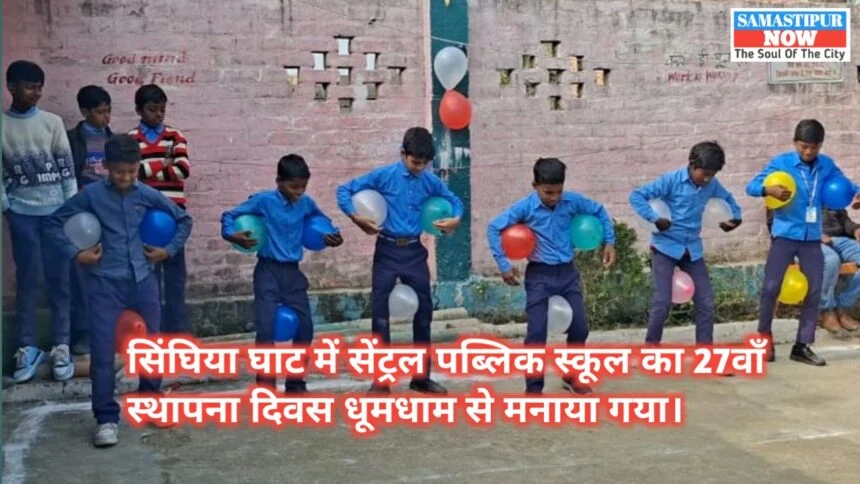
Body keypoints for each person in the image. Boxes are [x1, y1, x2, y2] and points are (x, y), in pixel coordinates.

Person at [44, 134, 192, 447]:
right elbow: (53, 224)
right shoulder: (91, 195)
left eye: (131, 171)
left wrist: (167, 251)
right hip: (104, 283)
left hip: (143, 280)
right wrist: (76, 254)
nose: (125, 177)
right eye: (119, 171)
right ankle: (106, 419)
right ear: (106, 167)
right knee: (101, 351)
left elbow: (183, 220)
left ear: (138, 167)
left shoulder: (148, 194)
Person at [336, 127, 463, 394]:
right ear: (403, 153)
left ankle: (421, 377)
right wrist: (355, 217)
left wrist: (456, 218)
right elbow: (344, 190)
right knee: (380, 315)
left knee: (424, 313)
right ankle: (381, 380)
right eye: (415, 162)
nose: (420, 167)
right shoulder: (384, 176)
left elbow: (454, 200)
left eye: (425, 163)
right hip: (387, 250)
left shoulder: (429, 181)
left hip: (415, 252)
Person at [487, 157, 616, 394]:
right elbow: (494, 227)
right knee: (537, 333)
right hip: (539, 276)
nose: (554, 197)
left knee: (580, 328)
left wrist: (609, 241)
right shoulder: (525, 207)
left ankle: (572, 376)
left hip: (567, 273)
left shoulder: (572, 201)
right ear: (535, 185)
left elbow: (598, 210)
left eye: (558, 191)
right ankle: (533, 389)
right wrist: (504, 266)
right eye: (548, 192)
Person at [221, 154, 343, 393]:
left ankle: (296, 384)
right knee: (266, 330)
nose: (299, 192)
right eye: (293, 186)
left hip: (293, 274)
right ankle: (266, 387)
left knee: (305, 329)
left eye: (303, 187)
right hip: (267, 272)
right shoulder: (263, 201)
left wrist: (334, 236)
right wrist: (231, 234)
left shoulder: (306, 203)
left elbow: (322, 220)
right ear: (279, 181)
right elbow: (229, 215)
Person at [746, 119, 853, 366]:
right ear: (795, 143)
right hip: (785, 235)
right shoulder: (781, 163)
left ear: (820, 145)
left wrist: (856, 194)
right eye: (804, 146)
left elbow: (844, 185)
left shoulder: (826, 165)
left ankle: (802, 346)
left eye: (814, 147)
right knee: (771, 288)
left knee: (813, 290)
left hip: (812, 238)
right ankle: (764, 341)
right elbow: (751, 186)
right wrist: (768, 190)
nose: (808, 152)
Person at [2, 60, 77, 383]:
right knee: (29, 281)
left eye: (39, 87)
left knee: (60, 280)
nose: (35, 93)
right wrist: (7, 208)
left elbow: (66, 169)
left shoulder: (52, 123)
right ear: (11, 87)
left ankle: (61, 345)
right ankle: (27, 347)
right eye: (29, 87)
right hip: (22, 216)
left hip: (55, 215)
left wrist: (69, 211)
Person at [629, 141, 742, 347]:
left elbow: (729, 200)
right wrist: (655, 218)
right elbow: (637, 196)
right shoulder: (671, 180)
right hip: (665, 247)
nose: (707, 179)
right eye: (704, 174)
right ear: (691, 164)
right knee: (663, 301)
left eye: (712, 175)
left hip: (692, 250)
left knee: (705, 302)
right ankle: (651, 348)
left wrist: (736, 218)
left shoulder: (712, 185)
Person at [129, 84, 191, 335]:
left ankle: (177, 331)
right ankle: (151, 330)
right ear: (139, 110)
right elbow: (132, 175)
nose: (158, 115)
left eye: (162, 110)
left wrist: (148, 168)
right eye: (152, 109)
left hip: (174, 218)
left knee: (176, 278)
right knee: (148, 278)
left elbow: (182, 170)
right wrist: (163, 164)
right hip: (144, 220)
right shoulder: (131, 139)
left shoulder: (175, 136)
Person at [67, 85, 115, 355]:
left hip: (108, 212)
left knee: (108, 272)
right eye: (100, 112)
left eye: (108, 111)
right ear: (84, 112)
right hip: (82, 217)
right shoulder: (72, 140)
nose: (106, 117)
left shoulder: (113, 140)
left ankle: (108, 329)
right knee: (83, 274)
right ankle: (84, 332)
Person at [819, 203, 860, 333]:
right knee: (831, 260)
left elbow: (845, 221)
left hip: (839, 240)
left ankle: (843, 306)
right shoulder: (789, 196)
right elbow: (778, 224)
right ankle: (826, 310)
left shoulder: (830, 196)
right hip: (807, 241)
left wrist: (855, 229)